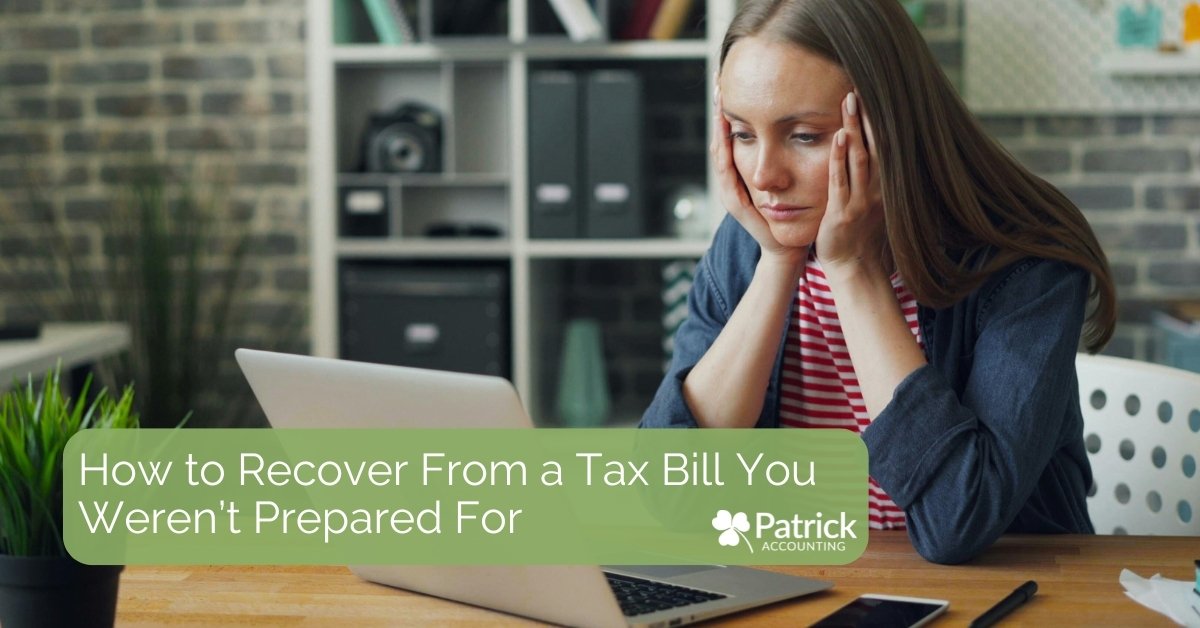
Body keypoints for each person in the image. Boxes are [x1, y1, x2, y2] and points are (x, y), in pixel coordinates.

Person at [640, 0, 1117, 565]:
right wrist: (775, 264)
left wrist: (853, 271)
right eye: (743, 134)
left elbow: (956, 522)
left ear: (890, 127)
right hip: (807, 582)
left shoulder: (1023, 260)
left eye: (806, 137)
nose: (765, 176)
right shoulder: (750, 243)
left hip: (1001, 597)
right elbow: (669, 498)